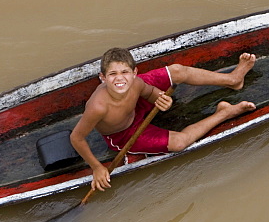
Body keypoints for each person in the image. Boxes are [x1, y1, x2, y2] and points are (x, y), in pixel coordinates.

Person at [70, 47, 257, 192]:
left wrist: (160, 98)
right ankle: (224, 113)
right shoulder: (98, 107)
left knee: (177, 71)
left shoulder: (135, 83)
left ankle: (233, 79)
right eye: (112, 74)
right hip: (124, 133)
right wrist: (96, 167)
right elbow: (76, 138)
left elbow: (149, 92)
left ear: (134, 72)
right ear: (102, 78)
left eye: (124, 72)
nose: (120, 79)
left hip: (137, 106)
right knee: (179, 142)